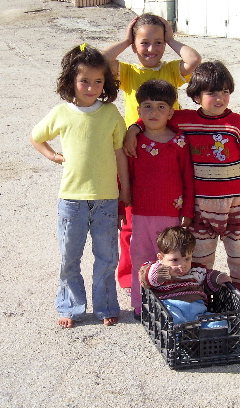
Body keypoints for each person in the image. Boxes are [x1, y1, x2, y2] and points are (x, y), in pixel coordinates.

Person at [124, 61, 240, 302]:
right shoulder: (183, 120)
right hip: (202, 206)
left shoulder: (238, 124)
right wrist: (133, 129)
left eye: (225, 91)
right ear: (197, 96)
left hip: (236, 204)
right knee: (199, 257)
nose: (219, 98)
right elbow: (154, 116)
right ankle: (200, 297)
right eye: (211, 93)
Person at [30, 44, 130, 328]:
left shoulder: (110, 113)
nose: (91, 87)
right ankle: (70, 307)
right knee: (68, 258)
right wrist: (54, 156)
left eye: (98, 81)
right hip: (71, 200)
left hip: (107, 200)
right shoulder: (62, 112)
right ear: (71, 81)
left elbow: (121, 152)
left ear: (106, 83)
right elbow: (37, 137)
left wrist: (126, 191)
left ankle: (106, 306)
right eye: (84, 80)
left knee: (107, 257)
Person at [102, 13, 201, 292]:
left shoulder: (171, 70)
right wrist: (125, 39)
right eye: (144, 43)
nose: (151, 49)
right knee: (133, 218)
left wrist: (171, 39)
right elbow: (102, 59)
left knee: (163, 216)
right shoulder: (129, 73)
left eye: (158, 42)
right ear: (135, 45)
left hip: (169, 146)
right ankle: (129, 276)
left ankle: (165, 273)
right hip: (136, 147)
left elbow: (193, 60)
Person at [129, 79, 195, 320]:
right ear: (138, 111)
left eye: (160, 106)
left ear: (171, 112)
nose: (153, 112)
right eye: (147, 106)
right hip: (140, 213)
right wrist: (121, 204)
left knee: (170, 260)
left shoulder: (179, 142)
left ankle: (170, 302)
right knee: (141, 258)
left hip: (171, 215)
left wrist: (187, 209)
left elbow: (188, 178)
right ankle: (140, 304)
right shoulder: (134, 141)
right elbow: (124, 175)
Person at [139, 226, 232, 325]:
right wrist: (167, 271)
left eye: (187, 259)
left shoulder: (195, 270)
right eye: (175, 260)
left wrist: (219, 277)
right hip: (173, 307)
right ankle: (181, 332)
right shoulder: (157, 270)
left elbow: (209, 276)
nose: (182, 265)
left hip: (197, 310)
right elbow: (145, 277)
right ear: (161, 258)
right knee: (171, 318)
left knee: (220, 322)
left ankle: (206, 333)